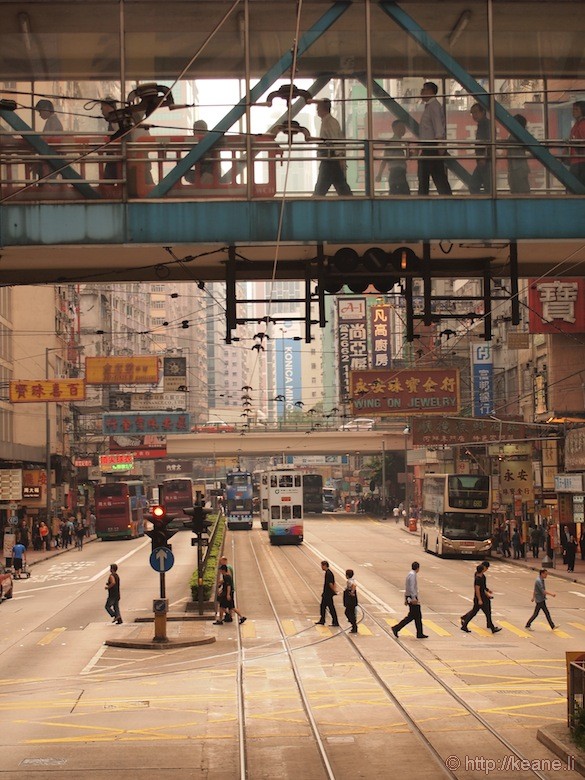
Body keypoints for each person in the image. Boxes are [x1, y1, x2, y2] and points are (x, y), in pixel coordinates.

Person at [312, 99, 353, 197]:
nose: (317, 110)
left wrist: (340, 157)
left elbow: (336, 140)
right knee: (340, 185)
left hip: (330, 158)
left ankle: (314, 204)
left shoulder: (330, 122)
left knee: (321, 188)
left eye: (318, 108)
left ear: (323, 109)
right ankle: (351, 202)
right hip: (330, 158)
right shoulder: (327, 122)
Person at [417, 82, 452, 196]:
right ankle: (445, 198)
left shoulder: (434, 107)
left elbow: (438, 127)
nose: (421, 92)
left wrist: (440, 145)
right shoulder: (430, 107)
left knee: (432, 176)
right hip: (428, 146)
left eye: (424, 89)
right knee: (432, 176)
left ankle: (445, 199)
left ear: (431, 92)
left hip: (432, 147)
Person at [461, 561, 501, 634]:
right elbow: (477, 589)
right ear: (483, 569)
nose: (486, 569)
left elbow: (483, 588)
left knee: (483, 612)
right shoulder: (478, 578)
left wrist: (488, 592)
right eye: (486, 568)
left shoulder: (482, 576)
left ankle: (465, 625)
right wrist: (479, 599)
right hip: (480, 598)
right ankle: (492, 628)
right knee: (482, 613)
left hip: (483, 597)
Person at [392, 561, 428, 639]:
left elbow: (407, 587)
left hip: (409, 597)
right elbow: (411, 587)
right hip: (412, 598)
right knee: (413, 616)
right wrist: (414, 598)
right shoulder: (412, 575)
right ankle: (396, 628)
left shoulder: (410, 574)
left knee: (415, 616)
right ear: (418, 568)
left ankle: (419, 633)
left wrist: (405, 598)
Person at [376, 119, 410, 195]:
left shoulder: (398, 142)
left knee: (397, 195)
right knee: (404, 196)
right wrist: (379, 174)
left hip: (397, 174)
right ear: (394, 129)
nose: (403, 129)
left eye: (403, 127)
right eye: (400, 127)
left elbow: (384, 160)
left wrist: (379, 174)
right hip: (397, 173)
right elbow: (384, 160)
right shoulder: (394, 143)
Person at [468, 103, 491, 194]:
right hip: (482, 160)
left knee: (487, 187)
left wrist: (484, 156)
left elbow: (489, 141)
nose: (474, 115)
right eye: (472, 113)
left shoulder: (486, 124)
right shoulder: (481, 124)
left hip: (486, 160)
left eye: (476, 112)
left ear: (483, 112)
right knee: (474, 185)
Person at [185, 119, 215, 186]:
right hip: (201, 174)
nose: (199, 133)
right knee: (183, 168)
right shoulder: (194, 145)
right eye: (197, 131)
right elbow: (187, 162)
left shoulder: (211, 143)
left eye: (201, 130)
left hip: (209, 174)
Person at [506, 114, 530, 193]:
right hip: (518, 169)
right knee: (522, 194)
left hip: (516, 170)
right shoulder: (519, 136)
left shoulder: (515, 136)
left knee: (519, 195)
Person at [315, 560, 339, 626]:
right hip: (326, 594)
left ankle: (335, 621)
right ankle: (323, 620)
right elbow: (334, 582)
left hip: (327, 594)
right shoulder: (329, 573)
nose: (321, 567)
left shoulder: (328, 573)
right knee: (323, 606)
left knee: (330, 608)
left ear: (325, 565)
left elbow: (330, 583)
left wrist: (334, 591)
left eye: (322, 565)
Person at [568, 100, 585, 186]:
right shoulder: (577, 124)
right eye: (573, 109)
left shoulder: (582, 125)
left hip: (580, 162)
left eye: (576, 109)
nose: (573, 111)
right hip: (575, 160)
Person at [217, 556, 235, 622]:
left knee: (224, 606)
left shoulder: (227, 568)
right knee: (230, 606)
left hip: (228, 591)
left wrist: (227, 594)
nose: (220, 562)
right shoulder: (226, 567)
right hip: (227, 590)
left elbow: (228, 581)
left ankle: (227, 617)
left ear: (224, 561)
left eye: (221, 561)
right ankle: (229, 617)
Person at [343, 568, 358, 633]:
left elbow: (354, 585)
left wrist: (352, 592)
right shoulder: (352, 580)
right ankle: (354, 625)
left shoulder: (349, 581)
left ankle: (354, 625)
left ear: (347, 575)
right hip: (352, 600)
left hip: (350, 600)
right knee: (351, 613)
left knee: (348, 612)